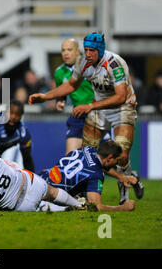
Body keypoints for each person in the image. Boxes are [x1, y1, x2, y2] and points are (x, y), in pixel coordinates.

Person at [29, 32, 144, 205]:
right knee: (87, 156)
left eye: (91, 50)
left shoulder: (115, 64)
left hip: (122, 109)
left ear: (100, 49)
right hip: (99, 109)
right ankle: (82, 191)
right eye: (86, 50)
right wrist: (46, 97)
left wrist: (89, 106)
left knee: (120, 155)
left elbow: (120, 96)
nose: (88, 54)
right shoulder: (83, 63)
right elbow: (70, 85)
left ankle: (124, 193)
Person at [0, 146, 84, 212]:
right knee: (52, 192)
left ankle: (64, 210)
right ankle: (79, 205)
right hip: (30, 183)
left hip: (22, 206)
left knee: (40, 207)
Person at [38, 140, 136, 212]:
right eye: (117, 160)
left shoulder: (88, 149)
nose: (117, 164)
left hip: (39, 177)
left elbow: (95, 165)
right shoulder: (96, 175)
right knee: (83, 199)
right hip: (45, 195)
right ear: (110, 158)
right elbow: (96, 206)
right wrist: (122, 208)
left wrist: (121, 177)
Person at [54, 38, 95, 154]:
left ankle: (125, 172)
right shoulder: (59, 72)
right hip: (78, 115)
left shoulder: (91, 67)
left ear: (78, 52)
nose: (66, 53)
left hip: (97, 115)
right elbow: (61, 92)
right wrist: (60, 101)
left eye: (69, 50)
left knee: (103, 159)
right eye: (63, 50)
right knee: (70, 157)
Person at [0, 100, 35, 172]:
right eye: (10, 113)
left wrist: (31, 179)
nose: (13, 117)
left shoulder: (23, 134)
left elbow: (27, 159)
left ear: (21, 116)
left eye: (17, 114)